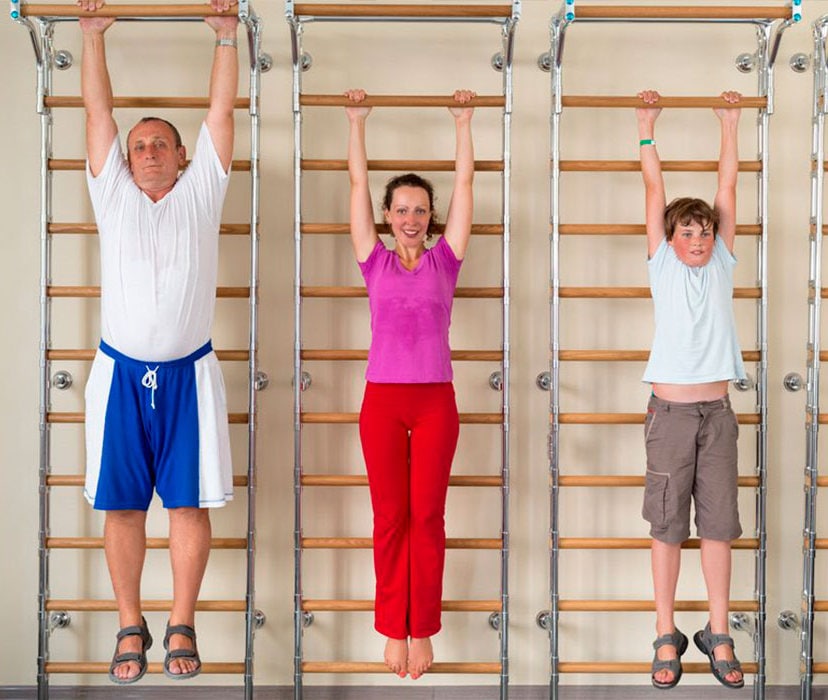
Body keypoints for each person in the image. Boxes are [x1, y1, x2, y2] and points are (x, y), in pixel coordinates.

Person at [78, 0, 238, 684]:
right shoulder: (110, 195)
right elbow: (96, 118)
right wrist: (92, 38)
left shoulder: (201, 192)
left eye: (158, 144)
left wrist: (227, 39)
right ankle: (129, 623)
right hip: (118, 376)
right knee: (119, 505)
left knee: (186, 505)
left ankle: (180, 621)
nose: (145, 152)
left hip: (188, 377)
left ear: (180, 156)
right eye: (137, 145)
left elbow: (222, 117)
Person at [344, 88, 476, 680]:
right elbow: (355, 185)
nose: (411, 218)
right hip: (382, 401)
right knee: (389, 519)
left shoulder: (447, 260)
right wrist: (356, 123)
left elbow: (467, 187)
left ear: (431, 217)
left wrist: (464, 123)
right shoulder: (373, 260)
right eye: (401, 209)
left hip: (435, 403)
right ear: (387, 215)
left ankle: (421, 629)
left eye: (421, 209)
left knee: (427, 519)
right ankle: (390, 630)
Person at [636, 89, 746, 690]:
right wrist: (647, 127)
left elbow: (727, 189)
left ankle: (718, 630)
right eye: (688, 231)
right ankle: (665, 631)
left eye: (705, 231)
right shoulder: (664, 265)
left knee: (721, 525)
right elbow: (655, 190)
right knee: (668, 526)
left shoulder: (724, 261)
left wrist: (728, 124)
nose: (699, 239)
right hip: (671, 414)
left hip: (718, 412)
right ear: (671, 239)